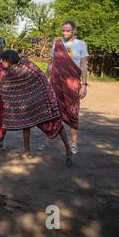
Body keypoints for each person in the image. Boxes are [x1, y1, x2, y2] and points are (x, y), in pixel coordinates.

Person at [0, 50, 74, 166]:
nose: (1, 62)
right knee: (26, 124)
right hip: (28, 101)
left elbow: (41, 78)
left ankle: (68, 151)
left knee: (56, 124)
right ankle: (26, 152)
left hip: (42, 100)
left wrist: (42, 96)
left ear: (8, 61)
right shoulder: (11, 72)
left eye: (2, 60)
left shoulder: (27, 65)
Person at [47, 20, 89, 154]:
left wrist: (84, 84)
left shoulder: (81, 44)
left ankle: (73, 143)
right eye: (63, 30)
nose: (65, 33)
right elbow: (51, 64)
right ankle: (47, 140)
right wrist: (45, 80)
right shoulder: (57, 44)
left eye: (68, 30)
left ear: (73, 31)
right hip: (56, 83)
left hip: (72, 83)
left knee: (73, 111)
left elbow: (83, 66)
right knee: (52, 109)